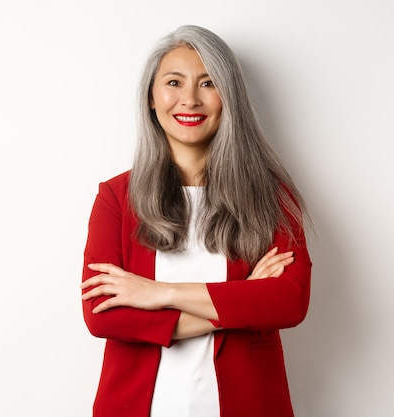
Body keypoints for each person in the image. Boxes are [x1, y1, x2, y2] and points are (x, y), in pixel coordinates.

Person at [81, 25, 311, 417]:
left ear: (229, 99)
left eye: (208, 83)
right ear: (152, 99)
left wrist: (160, 293)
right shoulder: (117, 196)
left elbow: (288, 301)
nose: (190, 99)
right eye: (174, 82)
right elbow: (102, 312)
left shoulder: (270, 195)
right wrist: (240, 302)